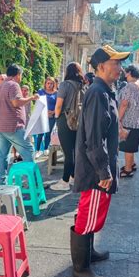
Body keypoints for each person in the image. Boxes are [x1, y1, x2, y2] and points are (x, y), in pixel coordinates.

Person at [71, 45, 130, 277]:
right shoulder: (97, 92)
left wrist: (118, 132)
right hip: (96, 170)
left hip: (99, 165)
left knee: (94, 213)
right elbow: (93, 138)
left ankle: (89, 252)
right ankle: (81, 269)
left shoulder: (105, 91)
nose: (120, 67)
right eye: (115, 63)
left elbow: (103, 128)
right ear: (101, 66)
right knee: (88, 215)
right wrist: (103, 171)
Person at [0, 64, 39, 185]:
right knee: (29, 150)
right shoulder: (13, 85)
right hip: (13, 126)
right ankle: (30, 181)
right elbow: (16, 102)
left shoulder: (0, 86)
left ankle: (0, 182)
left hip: (1, 126)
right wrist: (31, 98)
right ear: (18, 74)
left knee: (2, 155)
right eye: (21, 75)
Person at [51, 63, 85, 191]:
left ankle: (64, 181)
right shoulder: (83, 85)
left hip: (65, 119)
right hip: (79, 121)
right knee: (75, 150)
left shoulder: (65, 85)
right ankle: (73, 176)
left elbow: (59, 105)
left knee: (68, 152)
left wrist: (56, 117)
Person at [118, 65, 139, 178]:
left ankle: (128, 169)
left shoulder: (129, 87)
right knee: (132, 144)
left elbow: (124, 104)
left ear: (129, 73)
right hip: (138, 119)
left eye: (125, 72)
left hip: (129, 120)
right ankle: (132, 164)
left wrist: (118, 118)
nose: (124, 74)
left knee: (128, 146)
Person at [35, 77, 58, 156]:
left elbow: (58, 104)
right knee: (40, 133)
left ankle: (46, 148)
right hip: (42, 115)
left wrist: (53, 112)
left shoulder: (56, 93)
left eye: (51, 83)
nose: (49, 85)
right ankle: (37, 150)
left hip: (52, 115)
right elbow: (38, 103)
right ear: (45, 84)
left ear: (54, 84)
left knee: (48, 133)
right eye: (48, 83)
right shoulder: (41, 92)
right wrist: (45, 112)